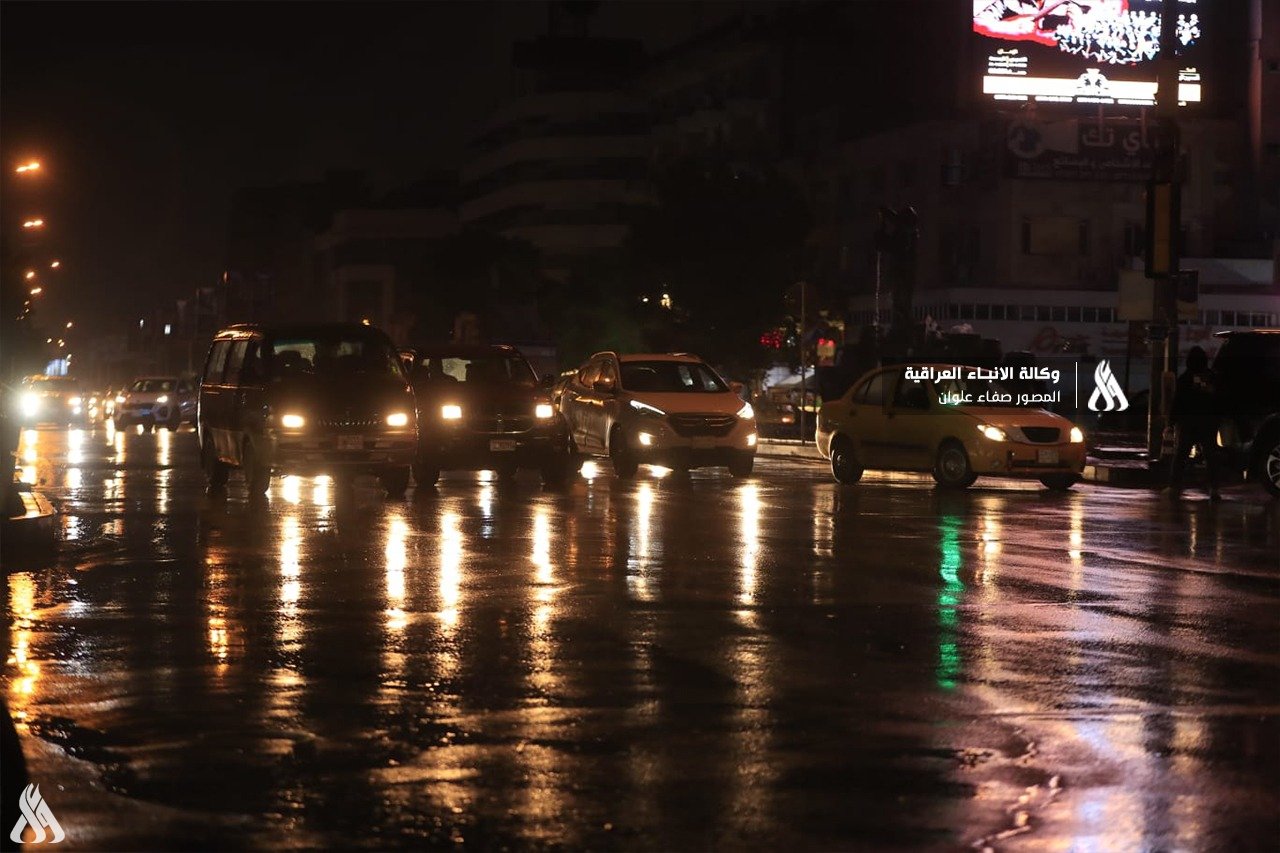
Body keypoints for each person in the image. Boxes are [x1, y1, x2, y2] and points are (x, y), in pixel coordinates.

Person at [1167, 346, 1222, 501]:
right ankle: (1214, 488)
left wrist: (1170, 423)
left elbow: (1177, 403)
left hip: (1187, 423)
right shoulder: (1211, 378)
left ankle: (1175, 487)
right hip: (1207, 423)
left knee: (1181, 455)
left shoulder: (1185, 379)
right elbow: (1219, 401)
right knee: (1211, 456)